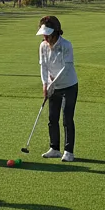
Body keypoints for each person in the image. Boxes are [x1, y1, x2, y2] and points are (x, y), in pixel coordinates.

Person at [37, 15, 79, 162]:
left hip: (69, 85)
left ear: (55, 32)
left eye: (47, 34)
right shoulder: (42, 46)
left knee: (67, 118)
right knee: (52, 118)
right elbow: (43, 66)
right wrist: (45, 83)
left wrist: (52, 84)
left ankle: (69, 151)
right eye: (44, 34)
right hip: (51, 85)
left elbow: (67, 67)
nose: (45, 37)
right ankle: (54, 148)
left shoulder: (66, 45)